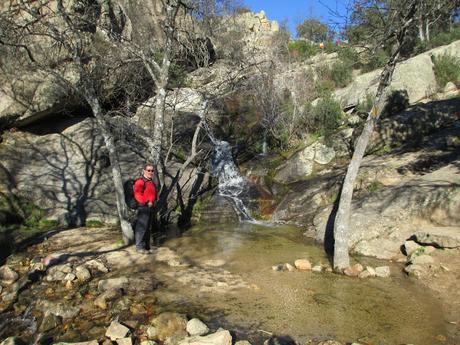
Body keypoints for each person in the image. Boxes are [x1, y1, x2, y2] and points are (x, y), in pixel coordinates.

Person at [133, 163, 157, 254]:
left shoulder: (150, 182)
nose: (150, 172)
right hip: (143, 207)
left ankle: (147, 247)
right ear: (144, 171)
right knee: (141, 228)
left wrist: (153, 202)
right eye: (149, 170)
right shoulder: (140, 181)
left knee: (147, 228)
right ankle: (139, 247)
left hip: (150, 208)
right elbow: (137, 194)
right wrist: (146, 202)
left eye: (152, 170)